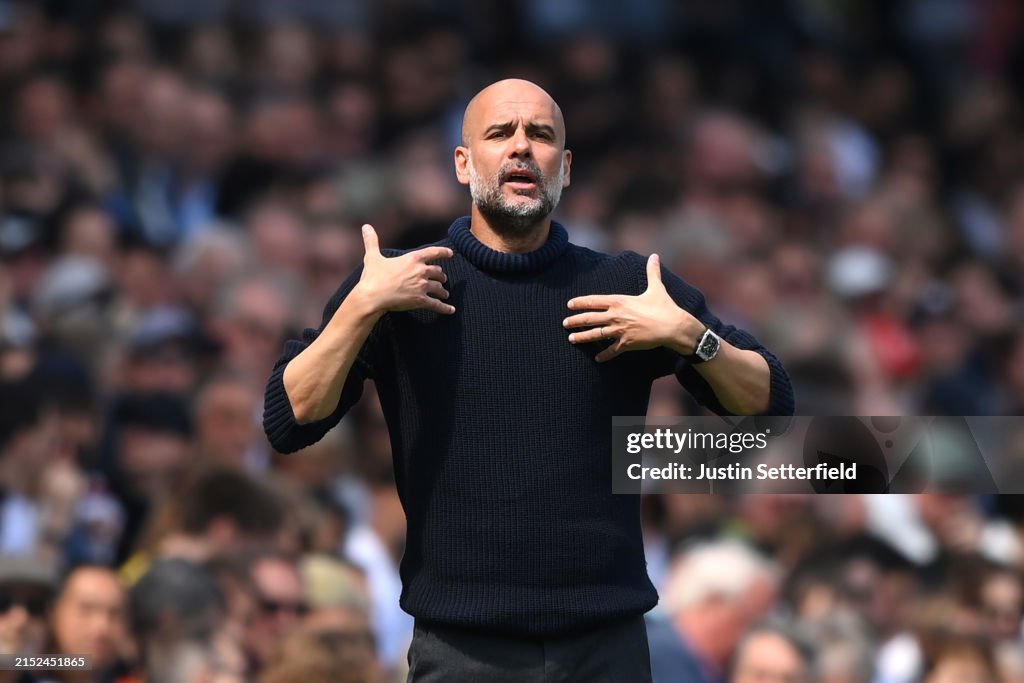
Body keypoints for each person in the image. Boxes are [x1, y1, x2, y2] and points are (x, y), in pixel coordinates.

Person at [263, 78, 794, 682]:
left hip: (606, 647)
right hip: (463, 650)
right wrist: (361, 309)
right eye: (500, 133)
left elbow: (771, 408)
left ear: (564, 168)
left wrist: (688, 337)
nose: (521, 147)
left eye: (540, 135)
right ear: (463, 164)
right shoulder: (401, 284)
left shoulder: (627, 285)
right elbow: (288, 419)